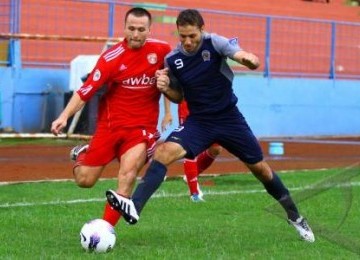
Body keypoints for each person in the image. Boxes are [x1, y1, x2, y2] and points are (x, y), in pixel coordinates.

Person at [106, 9, 315, 242]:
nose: (187, 41)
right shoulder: (172, 60)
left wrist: (249, 59)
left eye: (192, 36)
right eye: (182, 36)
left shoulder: (215, 43)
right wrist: (166, 87)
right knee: (164, 152)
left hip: (229, 118)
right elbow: (178, 97)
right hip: (200, 121)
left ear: (201, 31)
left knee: (262, 170)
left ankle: (295, 217)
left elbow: (242, 54)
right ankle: (134, 206)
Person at [51, 7, 171, 228]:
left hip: (140, 129)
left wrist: (170, 105)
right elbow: (84, 91)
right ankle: (81, 154)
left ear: (149, 30)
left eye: (141, 29)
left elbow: (173, 80)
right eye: (131, 29)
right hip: (110, 127)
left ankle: (105, 230)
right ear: (124, 28)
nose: (135, 34)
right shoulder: (111, 58)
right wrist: (64, 116)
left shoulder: (163, 51)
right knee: (84, 181)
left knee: (128, 174)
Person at [161, 98, 222, 202]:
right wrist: (168, 112)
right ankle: (194, 194)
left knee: (216, 149)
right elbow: (167, 85)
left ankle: (190, 176)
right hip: (187, 107)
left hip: (208, 106)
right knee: (190, 148)